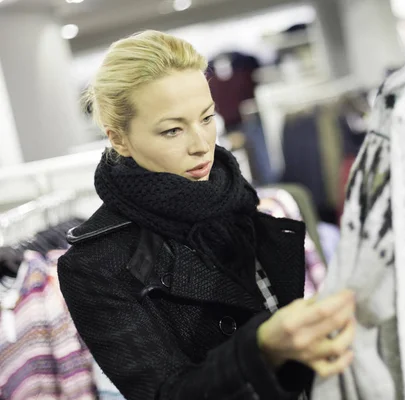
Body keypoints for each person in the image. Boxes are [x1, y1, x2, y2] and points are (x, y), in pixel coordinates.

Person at [57, 30, 356, 400]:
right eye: (172, 130)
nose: (201, 145)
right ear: (119, 138)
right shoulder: (95, 265)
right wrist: (260, 349)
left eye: (207, 118)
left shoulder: (241, 202)